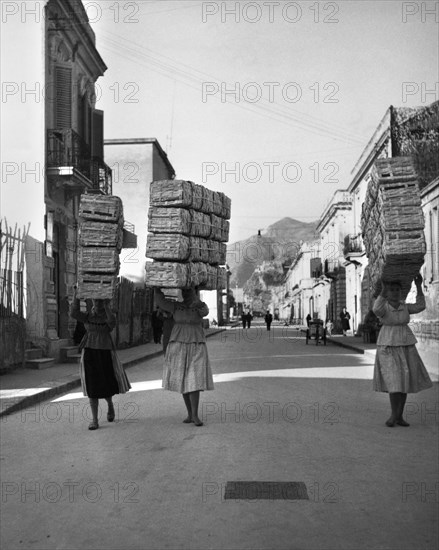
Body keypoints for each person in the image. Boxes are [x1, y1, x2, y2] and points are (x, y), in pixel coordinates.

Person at [372, 274, 433, 427]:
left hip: (406, 345)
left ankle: (399, 416)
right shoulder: (384, 307)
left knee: (404, 380)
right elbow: (375, 309)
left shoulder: (404, 306)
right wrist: (382, 291)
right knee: (394, 381)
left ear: (401, 292)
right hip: (388, 346)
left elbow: (420, 306)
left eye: (396, 290)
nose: (394, 292)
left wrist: (418, 286)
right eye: (391, 289)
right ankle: (393, 415)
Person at [70, 289, 131, 430]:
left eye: (100, 301)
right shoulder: (87, 316)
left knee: (105, 384)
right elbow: (73, 313)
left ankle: (110, 405)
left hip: (105, 352)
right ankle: (94, 420)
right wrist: (76, 295)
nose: (97, 303)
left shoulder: (109, 317)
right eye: (95, 300)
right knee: (92, 386)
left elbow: (111, 323)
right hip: (89, 352)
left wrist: (106, 306)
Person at [154, 287, 214, 426]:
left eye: (190, 292)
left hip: (196, 344)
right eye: (185, 292)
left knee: (194, 380)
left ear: (195, 293)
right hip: (178, 345)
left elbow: (205, 311)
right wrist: (156, 288)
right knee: (183, 379)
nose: (187, 295)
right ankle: (190, 414)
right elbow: (161, 301)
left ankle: (195, 415)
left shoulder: (200, 307)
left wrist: (197, 301)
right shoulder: (176, 307)